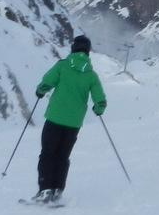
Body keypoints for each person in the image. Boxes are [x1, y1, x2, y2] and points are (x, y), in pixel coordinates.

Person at [30, 35, 106, 204]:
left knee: (48, 154)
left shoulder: (62, 66)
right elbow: (100, 99)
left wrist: (40, 91)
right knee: (63, 156)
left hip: (55, 117)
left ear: (73, 48)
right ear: (87, 52)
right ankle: (57, 190)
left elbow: (47, 82)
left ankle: (45, 190)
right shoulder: (91, 75)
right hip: (74, 123)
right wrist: (98, 108)